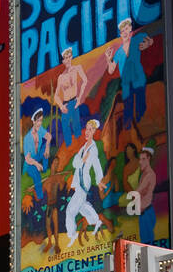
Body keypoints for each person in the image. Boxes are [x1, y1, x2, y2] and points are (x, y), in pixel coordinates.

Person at [104, 18, 153, 147]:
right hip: (126, 84)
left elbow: (149, 39)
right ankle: (129, 140)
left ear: (130, 29)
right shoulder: (119, 51)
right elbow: (111, 70)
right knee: (128, 110)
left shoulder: (137, 39)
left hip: (138, 80)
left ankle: (144, 134)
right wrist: (108, 59)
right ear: (120, 34)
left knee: (141, 106)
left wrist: (147, 44)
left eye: (126, 29)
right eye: (122, 31)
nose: (125, 32)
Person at [65, 119, 107, 247]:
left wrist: (99, 180)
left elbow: (96, 165)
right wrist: (82, 160)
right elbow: (75, 163)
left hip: (84, 182)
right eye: (86, 129)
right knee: (82, 206)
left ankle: (71, 234)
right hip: (79, 182)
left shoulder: (93, 148)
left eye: (90, 129)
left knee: (70, 211)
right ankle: (96, 220)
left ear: (94, 131)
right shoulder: (83, 148)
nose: (87, 132)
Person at [53, 47, 88, 149]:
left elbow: (85, 81)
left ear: (71, 57)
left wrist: (80, 98)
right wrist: (61, 106)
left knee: (77, 125)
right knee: (65, 127)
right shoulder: (61, 77)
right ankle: (69, 149)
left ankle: (79, 148)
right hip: (66, 104)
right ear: (63, 61)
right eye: (65, 58)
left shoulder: (77, 68)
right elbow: (56, 95)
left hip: (74, 101)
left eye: (69, 57)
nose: (67, 60)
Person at [133, 146, 158, 244]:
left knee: (147, 246)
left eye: (143, 159)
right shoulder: (144, 174)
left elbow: (138, 191)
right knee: (145, 244)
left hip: (147, 212)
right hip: (144, 213)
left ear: (148, 159)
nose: (140, 162)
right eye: (140, 159)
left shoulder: (149, 175)